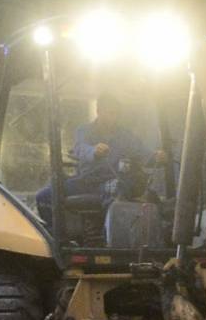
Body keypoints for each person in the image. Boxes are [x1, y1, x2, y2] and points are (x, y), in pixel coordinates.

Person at [35, 93, 167, 226]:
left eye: (116, 114)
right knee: (44, 196)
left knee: (117, 190)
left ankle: (109, 239)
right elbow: (80, 148)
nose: (113, 118)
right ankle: (62, 236)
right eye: (110, 113)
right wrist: (94, 151)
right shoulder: (84, 131)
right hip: (84, 182)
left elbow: (143, 154)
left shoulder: (126, 136)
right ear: (99, 112)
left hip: (111, 182)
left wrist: (156, 157)